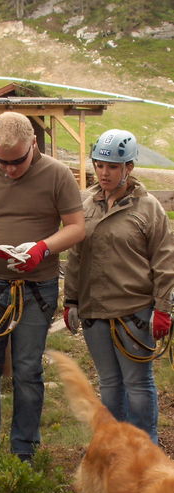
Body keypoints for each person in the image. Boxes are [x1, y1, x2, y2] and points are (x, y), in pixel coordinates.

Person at [0, 111, 85, 461]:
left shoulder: (56, 174)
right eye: (2, 161)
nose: (8, 169)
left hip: (35, 288)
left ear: (34, 146)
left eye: (17, 161)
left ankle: (25, 450)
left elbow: (76, 226)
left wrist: (43, 248)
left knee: (27, 370)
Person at [63, 128, 174, 444]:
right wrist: (71, 299)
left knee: (137, 384)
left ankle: (145, 446)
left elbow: (164, 261)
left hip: (134, 313)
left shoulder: (148, 208)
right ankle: (114, 447)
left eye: (112, 166)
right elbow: (76, 256)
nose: (104, 172)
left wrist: (163, 308)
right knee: (110, 384)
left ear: (129, 168)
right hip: (95, 311)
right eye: (99, 164)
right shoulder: (87, 205)